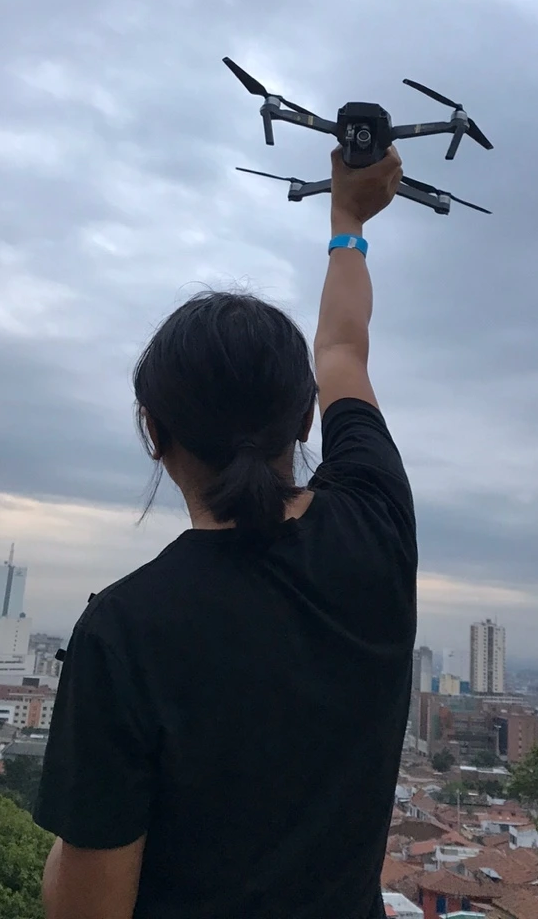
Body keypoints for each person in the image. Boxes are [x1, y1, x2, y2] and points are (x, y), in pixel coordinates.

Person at [35, 144, 417, 919]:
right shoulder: (375, 524)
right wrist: (348, 221)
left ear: (153, 432)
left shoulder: (125, 630)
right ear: (306, 418)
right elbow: (343, 348)